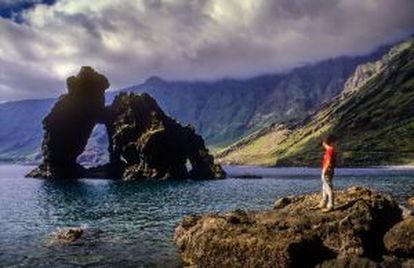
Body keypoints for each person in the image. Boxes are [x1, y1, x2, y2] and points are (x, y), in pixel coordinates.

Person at [318, 135, 336, 212]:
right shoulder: (331, 150)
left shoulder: (329, 150)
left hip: (327, 170)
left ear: (324, 143)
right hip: (329, 169)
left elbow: (328, 161)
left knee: (328, 187)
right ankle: (323, 203)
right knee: (324, 186)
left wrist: (324, 171)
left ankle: (330, 205)